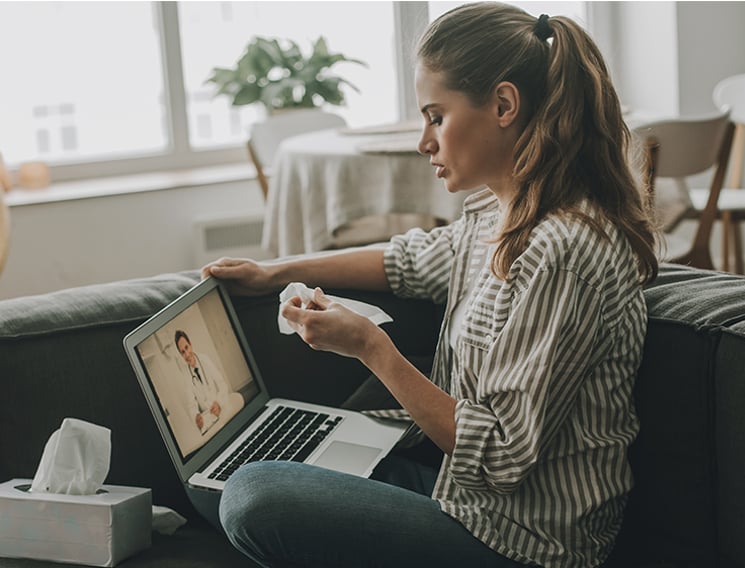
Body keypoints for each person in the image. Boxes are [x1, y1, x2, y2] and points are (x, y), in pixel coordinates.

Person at [203, 3, 658, 566]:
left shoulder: (562, 252)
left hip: (522, 541)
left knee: (253, 496)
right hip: (459, 498)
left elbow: (501, 457)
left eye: (435, 116)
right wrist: (274, 270)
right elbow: (406, 260)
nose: (424, 142)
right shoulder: (498, 217)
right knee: (221, 481)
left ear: (503, 106)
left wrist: (372, 347)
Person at [174, 329, 231, 433]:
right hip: (208, 418)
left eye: (186, 347)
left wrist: (218, 402)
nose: (187, 354)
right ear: (180, 354)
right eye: (182, 352)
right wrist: (196, 416)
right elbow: (191, 404)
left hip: (221, 407)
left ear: (190, 344)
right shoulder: (186, 376)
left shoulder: (205, 359)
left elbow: (222, 384)